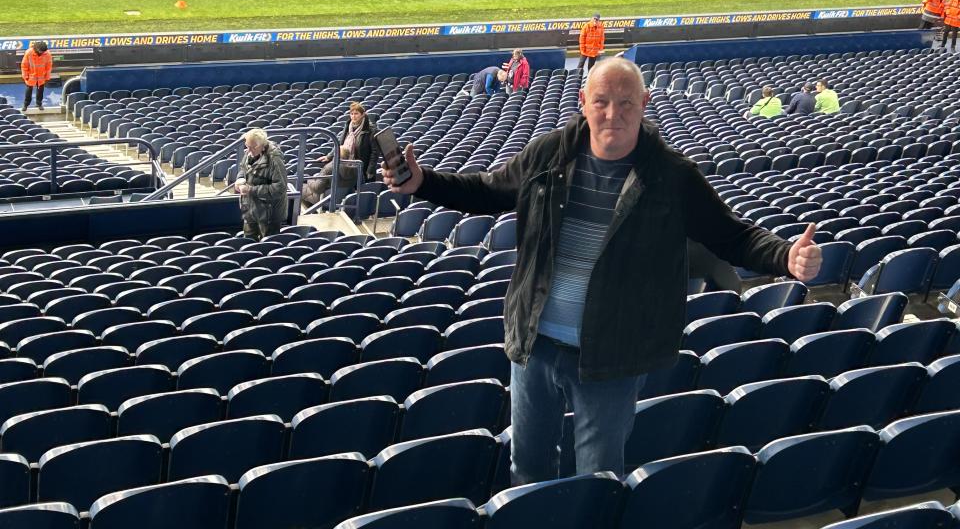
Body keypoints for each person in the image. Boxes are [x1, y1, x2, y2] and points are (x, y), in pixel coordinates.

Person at [382, 58, 822, 485]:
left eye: (626, 102)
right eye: (602, 101)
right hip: (534, 344)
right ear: (583, 101)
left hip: (613, 356)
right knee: (528, 467)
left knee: (597, 477)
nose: (614, 113)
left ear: (645, 103)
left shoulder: (673, 176)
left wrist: (785, 257)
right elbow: (487, 191)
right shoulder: (549, 153)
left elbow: (732, 236)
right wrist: (424, 182)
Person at [236, 128, 289, 240]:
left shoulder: (274, 159)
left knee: (268, 245)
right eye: (247, 146)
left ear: (262, 145)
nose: (248, 151)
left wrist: (250, 190)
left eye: (252, 147)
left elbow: (280, 188)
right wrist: (240, 179)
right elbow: (243, 168)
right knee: (248, 241)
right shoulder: (250, 151)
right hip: (250, 208)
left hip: (269, 213)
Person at [319, 102, 378, 182]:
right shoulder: (348, 126)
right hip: (347, 168)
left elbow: (375, 153)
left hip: (363, 170)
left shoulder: (370, 130)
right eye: (352, 114)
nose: (353, 116)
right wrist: (329, 156)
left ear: (363, 114)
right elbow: (340, 143)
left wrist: (370, 171)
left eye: (356, 114)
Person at [21, 40, 52, 112]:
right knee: (29, 90)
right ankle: (26, 104)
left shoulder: (47, 54)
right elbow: (24, 65)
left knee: (41, 91)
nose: (42, 53)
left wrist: (47, 76)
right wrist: (25, 75)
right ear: (37, 49)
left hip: (41, 77)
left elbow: (49, 66)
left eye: (43, 51)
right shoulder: (29, 53)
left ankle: (39, 104)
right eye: (41, 51)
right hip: (31, 76)